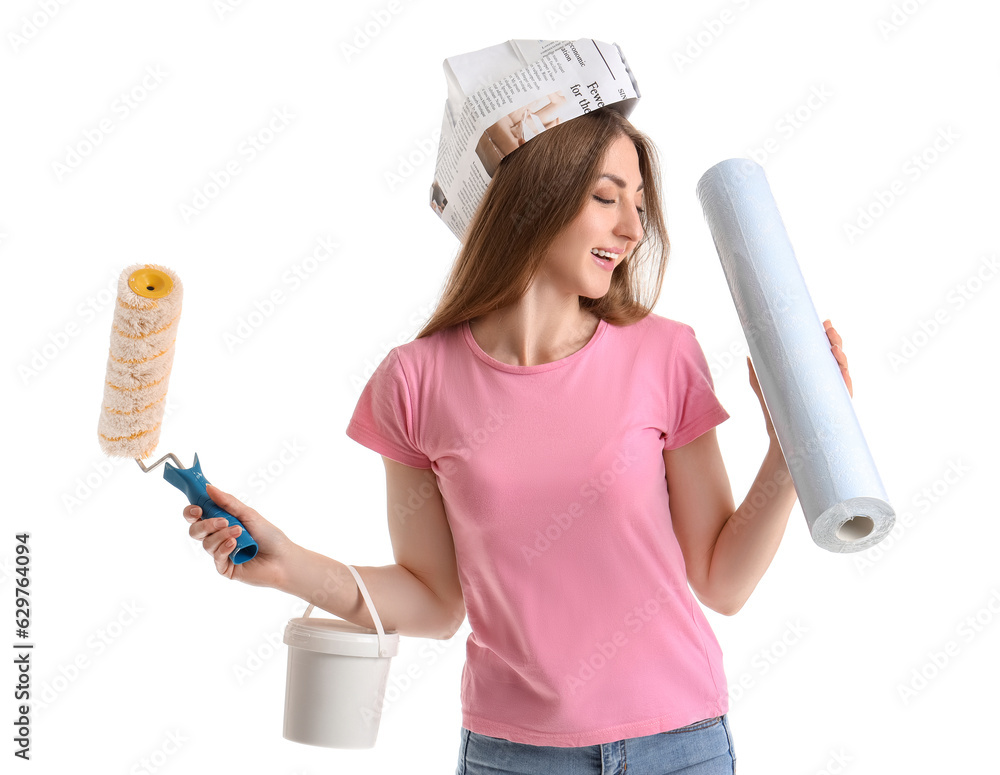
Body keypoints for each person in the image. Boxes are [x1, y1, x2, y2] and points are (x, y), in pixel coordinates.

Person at [181, 105, 853, 773]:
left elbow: (723, 580)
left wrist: (792, 448)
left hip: (678, 744)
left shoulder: (664, 354)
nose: (631, 228)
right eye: (606, 197)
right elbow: (436, 600)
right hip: (516, 756)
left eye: (640, 206)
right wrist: (290, 563)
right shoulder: (415, 382)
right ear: (536, 197)